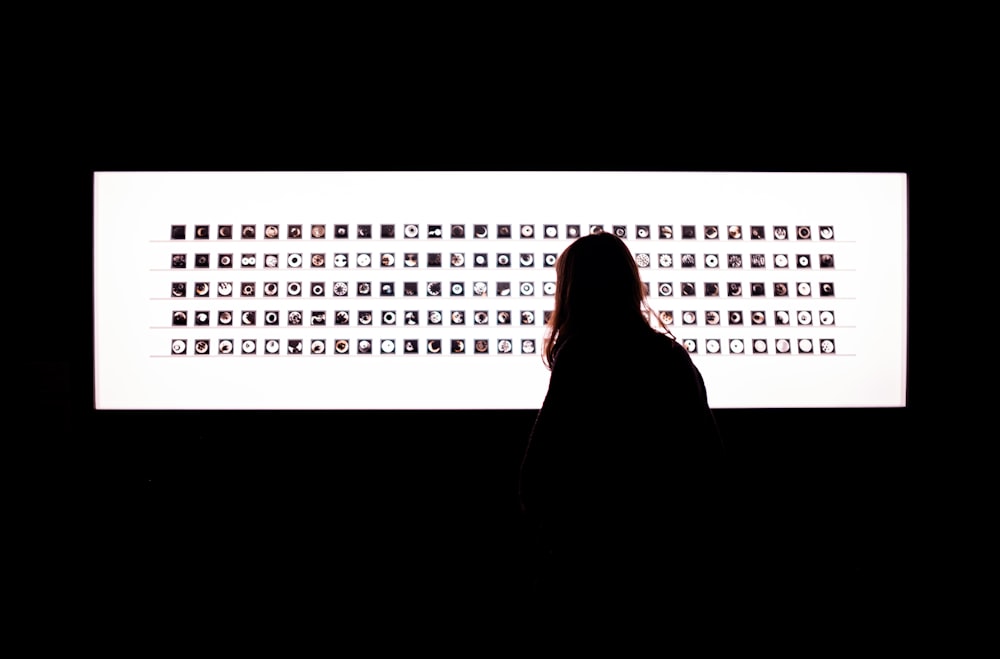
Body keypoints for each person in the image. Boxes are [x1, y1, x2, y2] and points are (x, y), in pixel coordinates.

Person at [517, 231, 726, 609]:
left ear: (571, 290)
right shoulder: (670, 356)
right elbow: (708, 465)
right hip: (668, 564)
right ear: (630, 282)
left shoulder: (581, 358)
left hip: (588, 564)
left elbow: (541, 474)